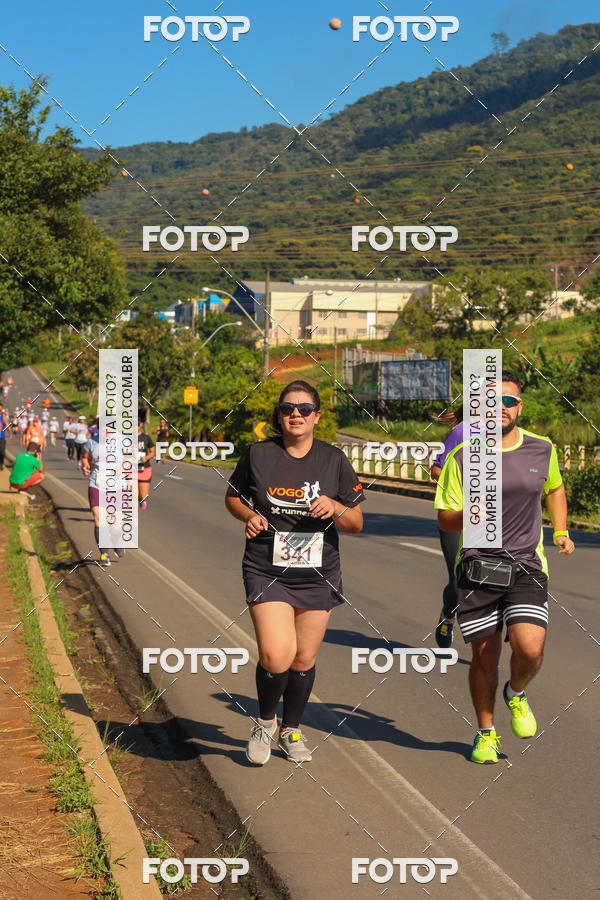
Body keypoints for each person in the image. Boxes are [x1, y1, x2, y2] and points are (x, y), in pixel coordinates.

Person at [434, 370, 575, 765]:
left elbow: (555, 488)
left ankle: (516, 692)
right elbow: (445, 518)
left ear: (519, 407)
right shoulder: (463, 457)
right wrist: (471, 514)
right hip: (479, 567)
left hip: (528, 564)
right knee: (484, 655)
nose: (501, 408)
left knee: (530, 649)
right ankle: (486, 733)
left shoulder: (541, 449)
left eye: (509, 401)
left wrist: (561, 530)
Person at [225, 380, 365, 765]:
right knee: (276, 654)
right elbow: (233, 498)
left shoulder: (334, 460)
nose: (296, 415)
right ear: (279, 415)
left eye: (305, 409)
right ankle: (265, 723)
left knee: (303, 659)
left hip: (318, 572)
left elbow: (355, 522)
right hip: (266, 568)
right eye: (288, 408)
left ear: (317, 416)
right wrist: (250, 515)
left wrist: (335, 506)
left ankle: (291, 730)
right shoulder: (258, 454)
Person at [430, 408, 464, 648]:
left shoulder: (506, 436)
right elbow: (436, 471)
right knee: (457, 579)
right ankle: (448, 616)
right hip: (455, 513)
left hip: (490, 520)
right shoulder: (461, 433)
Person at [82, 419, 125, 566]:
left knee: (115, 525)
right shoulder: (92, 441)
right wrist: (85, 465)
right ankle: (104, 554)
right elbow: (85, 456)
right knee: (99, 518)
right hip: (97, 483)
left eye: (109, 429)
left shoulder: (121, 440)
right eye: (103, 429)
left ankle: (116, 543)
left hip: (116, 485)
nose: (106, 433)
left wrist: (123, 466)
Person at [137, 420, 155, 509]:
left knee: (143, 496)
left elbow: (153, 452)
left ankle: (141, 500)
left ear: (140, 425)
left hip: (144, 469)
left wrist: (146, 458)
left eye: (136, 425)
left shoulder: (146, 438)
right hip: (130, 470)